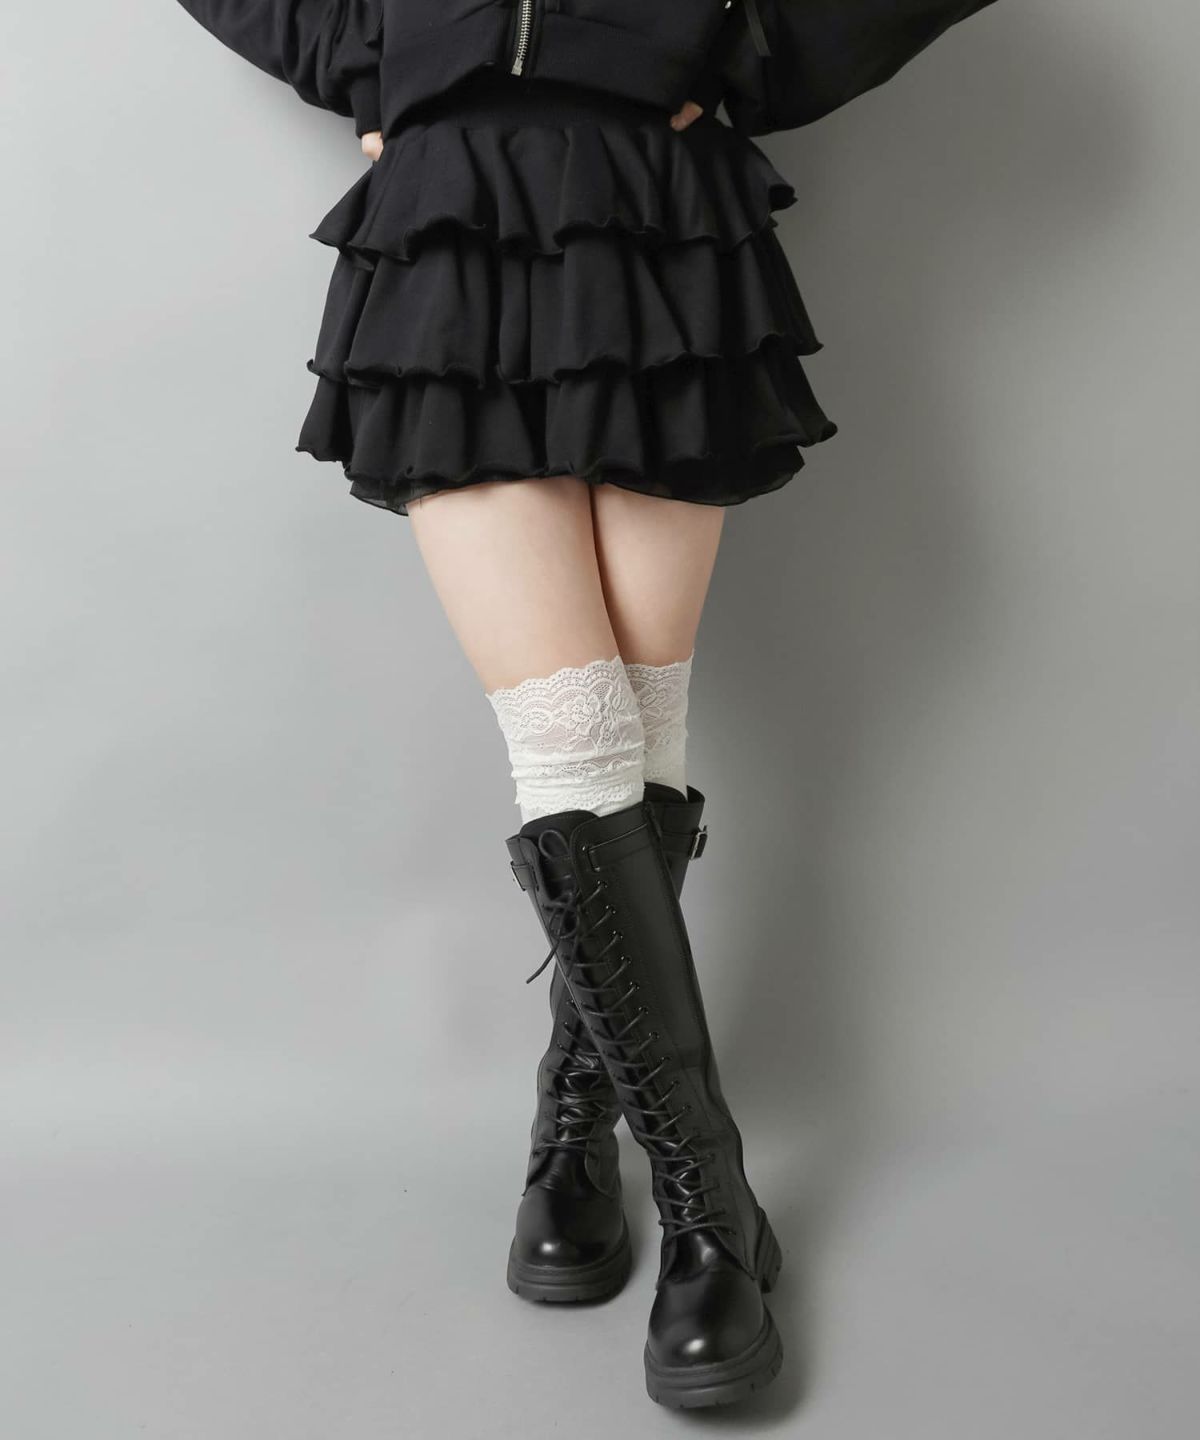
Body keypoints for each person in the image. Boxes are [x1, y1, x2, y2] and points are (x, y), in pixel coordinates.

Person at [172, 0, 997, 1409]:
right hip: (451, 220)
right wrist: (379, 57)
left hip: (657, 214)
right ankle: (712, 1208)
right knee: (572, 732)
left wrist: (736, 48)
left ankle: (574, 1132)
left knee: (639, 728)